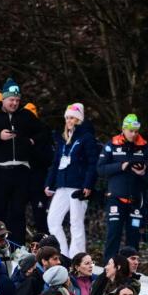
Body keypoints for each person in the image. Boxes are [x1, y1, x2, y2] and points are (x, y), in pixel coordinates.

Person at [0, 79, 47, 243]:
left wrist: (31, 141)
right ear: (3, 99)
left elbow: (44, 133)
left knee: (18, 211)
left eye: (17, 100)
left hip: (21, 169)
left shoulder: (26, 116)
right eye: (11, 100)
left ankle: (17, 246)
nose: (14, 103)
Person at [98, 113, 148, 261]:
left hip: (136, 200)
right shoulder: (112, 144)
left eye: (136, 131)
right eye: (131, 131)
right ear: (123, 129)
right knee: (113, 234)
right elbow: (100, 169)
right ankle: (108, 269)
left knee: (134, 237)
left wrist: (143, 173)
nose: (134, 134)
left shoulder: (145, 147)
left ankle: (131, 271)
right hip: (115, 198)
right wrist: (121, 166)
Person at [45, 103, 98, 257]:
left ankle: (77, 257)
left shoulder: (86, 137)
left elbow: (92, 162)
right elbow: (56, 163)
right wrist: (50, 183)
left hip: (78, 186)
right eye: (67, 117)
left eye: (73, 118)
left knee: (76, 222)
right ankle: (62, 254)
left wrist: (88, 184)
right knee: (53, 220)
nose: (69, 121)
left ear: (79, 119)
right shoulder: (63, 139)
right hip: (62, 185)